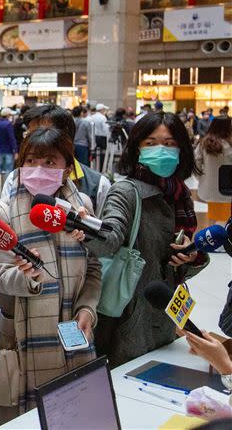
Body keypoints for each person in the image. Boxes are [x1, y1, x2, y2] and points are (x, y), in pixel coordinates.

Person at [0, 128, 101, 429]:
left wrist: (87, 310)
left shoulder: (81, 208)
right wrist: (27, 277)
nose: (38, 170)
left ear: (67, 167)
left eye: (50, 162)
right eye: (30, 161)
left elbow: (93, 267)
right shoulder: (1, 211)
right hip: (21, 345)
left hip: (74, 344)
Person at [88, 112, 208, 367]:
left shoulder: (180, 195)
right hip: (130, 319)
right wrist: (84, 227)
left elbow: (174, 267)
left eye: (169, 143)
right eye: (151, 143)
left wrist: (191, 256)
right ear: (137, 148)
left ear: (181, 149)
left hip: (165, 313)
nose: (161, 150)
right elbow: (109, 237)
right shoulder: (126, 192)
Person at [2, 104, 111, 214]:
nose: (36, 141)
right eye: (30, 135)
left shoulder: (98, 185)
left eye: (46, 134)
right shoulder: (14, 179)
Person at [195, 115, 232, 225]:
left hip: (210, 188)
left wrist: (202, 178)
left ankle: (212, 239)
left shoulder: (204, 143)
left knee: (212, 219)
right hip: (229, 189)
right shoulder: (230, 144)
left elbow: (196, 163)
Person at [0, 108, 17, 180]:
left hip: (0, 148)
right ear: (8, 115)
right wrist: (15, 150)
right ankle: (7, 185)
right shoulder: (8, 124)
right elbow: (12, 138)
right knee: (8, 168)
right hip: (9, 149)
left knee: (0, 167)